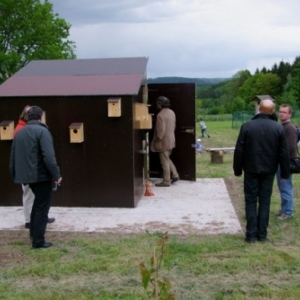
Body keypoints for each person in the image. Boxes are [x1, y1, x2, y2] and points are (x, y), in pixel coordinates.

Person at [233, 99, 290, 243]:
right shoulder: (278, 128)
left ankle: (251, 235)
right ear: (272, 111)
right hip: (269, 170)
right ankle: (262, 234)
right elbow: (284, 153)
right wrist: (285, 172)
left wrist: (237, 169)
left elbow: (239, 150)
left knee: (250, 200)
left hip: (251, 169)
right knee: (265, 201)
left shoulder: (247, 126)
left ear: (259, 109)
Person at [10, 106, 62, 248]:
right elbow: (49, 156)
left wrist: (14, 173)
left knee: (36, 205)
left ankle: (34, 234)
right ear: (41, 117)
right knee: (41, 207)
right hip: (41, 176)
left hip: (27, 176)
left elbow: (13, 156)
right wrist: (56, 175)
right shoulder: (42, 131)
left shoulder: (20, 132)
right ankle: (38, 241)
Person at [13, 105, 55, 229]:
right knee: (29, 195)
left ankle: (39, 218)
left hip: (30, 169)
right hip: (29, 170)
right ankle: (29, 220)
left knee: (37, 197)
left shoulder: (26, 128)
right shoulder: (22, 129)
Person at [150, 96, 179, 187]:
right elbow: (173, 126)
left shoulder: (160, 115)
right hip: (171, 140)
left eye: (158, 103)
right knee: (167, 158)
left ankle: (166, 181)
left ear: (160, 104)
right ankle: (175, 175)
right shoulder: (172, 112)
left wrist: (156, 140)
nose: (157, 104)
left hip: (163, 142)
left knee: (164, 162)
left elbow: (160, 132)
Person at [276, 104, 298, 220]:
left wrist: (284, 162)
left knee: (285, 186)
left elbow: (291, 147)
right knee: (282, 186)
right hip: (281, 161)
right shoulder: (282, 126)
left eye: (284, 112)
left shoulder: (289, 127)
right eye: (280, 111)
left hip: (285, 162)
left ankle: (288, 212)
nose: (281, 114)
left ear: (289, 114)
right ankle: (285, 208)